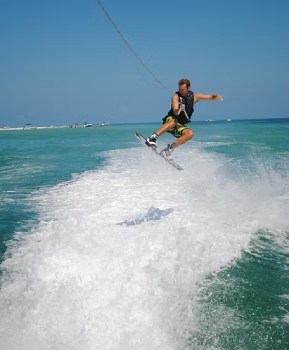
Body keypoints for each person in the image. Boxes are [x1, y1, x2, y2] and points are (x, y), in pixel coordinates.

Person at [146, 78, 223, 158]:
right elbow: (175, 111)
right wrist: (179, 109)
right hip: (170, 121)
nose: (181, 91)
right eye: (180, 89)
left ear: (188, 88)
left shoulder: (195, 97)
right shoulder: (176, 96)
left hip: (179, 125)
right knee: (174, 121)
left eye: (183, 89)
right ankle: (152, 138)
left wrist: (215, 96)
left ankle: (168, 150)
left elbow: (209, 97)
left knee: (190, 133)